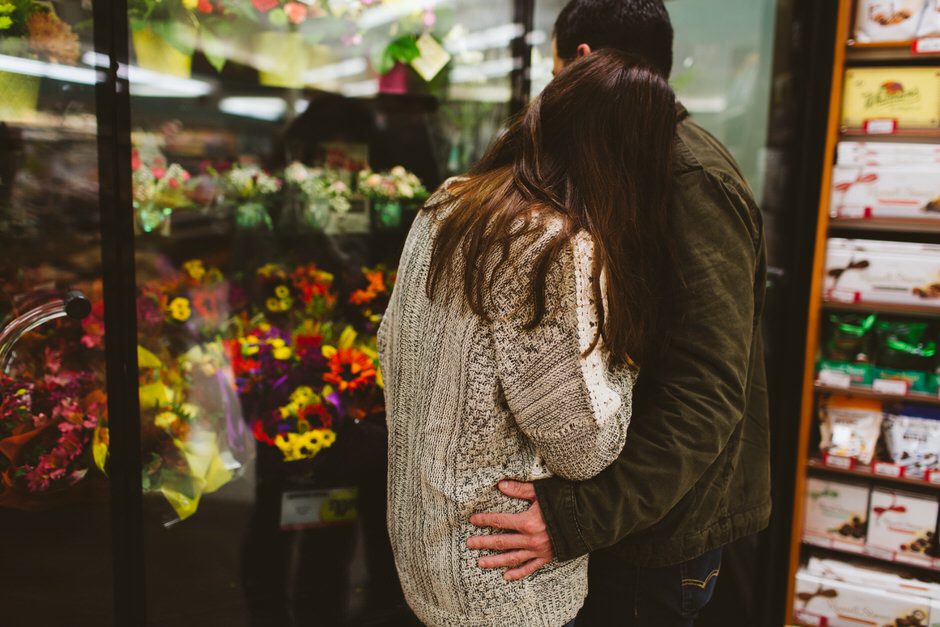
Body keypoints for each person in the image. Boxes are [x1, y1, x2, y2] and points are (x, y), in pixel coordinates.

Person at [466, 1, 771, 625]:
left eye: (552, 70)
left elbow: (707, 392)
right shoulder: (620, 159)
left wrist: (578, 517)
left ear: (581, 62)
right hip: (624, 520)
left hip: (652, 539)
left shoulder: (687, 176)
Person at [378, 49, 680, 627]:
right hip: (502, 575)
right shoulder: (552, 242)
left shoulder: (447, 203)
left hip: (425, 543)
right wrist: (627, 352)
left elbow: (391, 350)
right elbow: (584, 445)